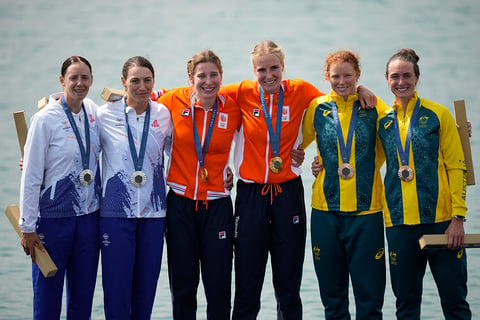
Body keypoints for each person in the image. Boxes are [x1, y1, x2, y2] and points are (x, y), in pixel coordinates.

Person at [223, 40, 377, 320]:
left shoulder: (301, 91)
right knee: (247, 283)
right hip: (250, 197)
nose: (268, 75)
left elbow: (337, 104)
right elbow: (199, 92)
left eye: (274, 68)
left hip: (288, 195)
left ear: (283, 67)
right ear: (253, 71)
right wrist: (137, 94)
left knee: (289, 284)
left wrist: (361, 89)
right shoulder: (241, 92)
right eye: (261, 70)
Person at [378, 48, 471, 319]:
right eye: (395, 76)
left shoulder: (437, 114)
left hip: (441, 222)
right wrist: (318, 164)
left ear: (417, 77)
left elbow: (457, 166)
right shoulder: (382, 121)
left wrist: (458, 217)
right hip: (398, 223)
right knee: (406, 306)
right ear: (386, 79)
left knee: (455, 302)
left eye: (407, 75)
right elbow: (361, 160)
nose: (401, 82)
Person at [302, 50, 390, 319]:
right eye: (335, 76)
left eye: (348, 76)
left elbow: (407, 129)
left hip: (367, 213)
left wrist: (457, 131)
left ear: (358, 76)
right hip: (325, 213)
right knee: (333, 301)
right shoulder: (317, 107)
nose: (341, 81)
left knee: (369, 301)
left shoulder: (375, 107)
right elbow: (292, 144)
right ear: (327, 76)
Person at [156, 50, 242, 320]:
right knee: (183, 287)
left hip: (218, 206)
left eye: (213, 75)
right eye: (201, 76)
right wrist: (58, 99)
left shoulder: (232, 106)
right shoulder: (174, 99)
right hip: (180, 204)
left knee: (218, 287)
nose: (208, 81)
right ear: (190, 78)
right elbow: (136, 94)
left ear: (221, 76)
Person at [19, 56, 101, 319]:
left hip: (89, 218)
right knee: (47, 299)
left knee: (82, 299)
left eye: (85, 77)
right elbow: (30, 177)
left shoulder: (93, 111)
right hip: (53, 221)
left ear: (91, 80)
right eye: (73, 77)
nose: (79, 83)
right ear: (62, 80)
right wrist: (27, 227)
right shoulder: (43, 120)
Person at [96, 56, 172, 319]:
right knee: (117, 298)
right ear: (123, 82)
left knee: (144, 298)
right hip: (115, 217)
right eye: (135, 81)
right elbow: (76, 149)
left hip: (154, 216)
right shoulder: (104, 114)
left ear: (154, 82)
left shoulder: (164, 114)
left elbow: (184, 155)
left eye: (147, 81)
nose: (142, 87)